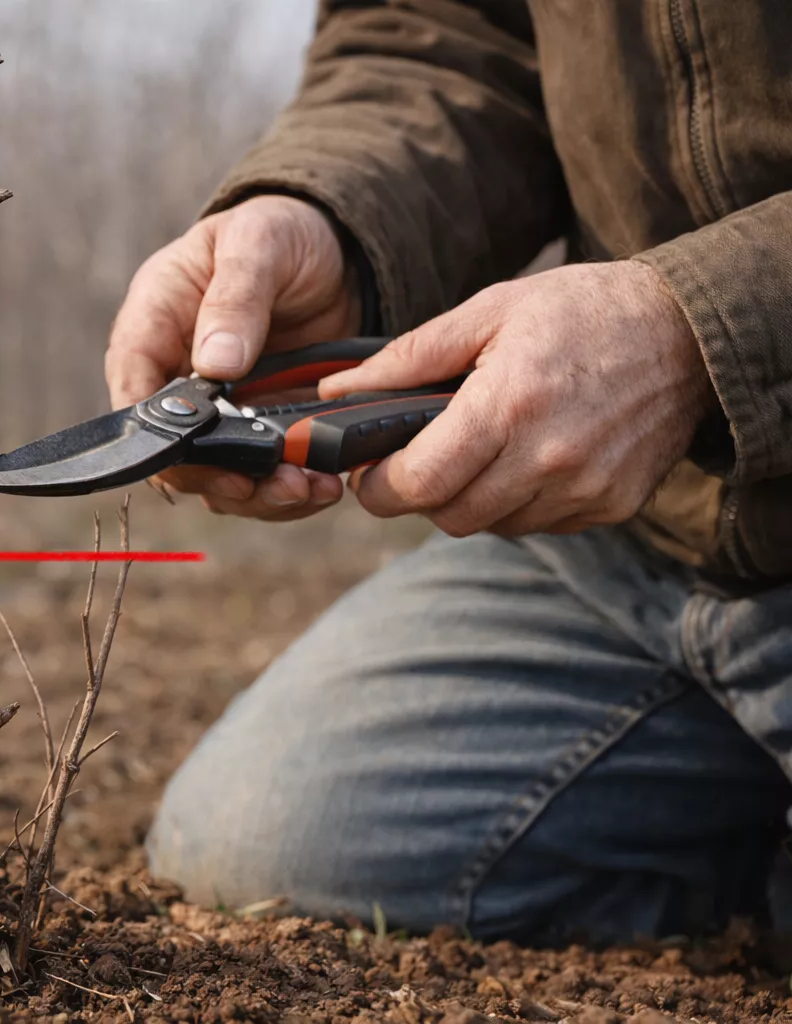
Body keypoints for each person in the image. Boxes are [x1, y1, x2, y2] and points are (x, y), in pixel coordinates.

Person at [123, 1, 792, 944]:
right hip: (635, 539)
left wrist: (708, 326)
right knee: (259, 842)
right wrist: (330, 213)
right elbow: (443, 31)